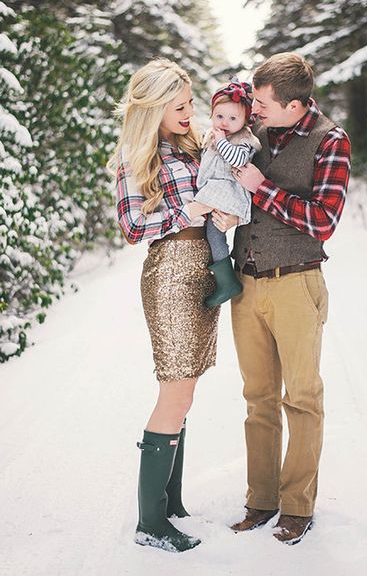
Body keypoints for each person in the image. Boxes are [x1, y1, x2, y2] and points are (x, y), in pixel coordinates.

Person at [229, 52, 351, 545]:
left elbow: (323, 220)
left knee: (301, 398)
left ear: (296, 106)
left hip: (298, 283)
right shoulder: (250, 136)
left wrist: (262, 189)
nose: (253, 109)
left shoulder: (331, 140)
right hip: (247, 282)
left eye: (262, 103)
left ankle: (297, 505)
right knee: (257, 399)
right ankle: (260, 500)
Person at [108, 57, 228, 553]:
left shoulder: (194, 145)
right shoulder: (134, 160)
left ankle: (170, 502)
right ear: (153, 108)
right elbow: (133, 229)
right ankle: (150, 522)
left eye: (191, 102)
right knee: (174, 392)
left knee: (189, 389)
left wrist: (220, 208)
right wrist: (187, 212)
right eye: (178, 106)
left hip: (205, 266)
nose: (189, 111)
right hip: (171, 275)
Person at [194, 79, 261, 307]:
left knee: (214, 234)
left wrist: (222, 141)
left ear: (245, 121)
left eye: (233, 118)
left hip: (228, 193)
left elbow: (238, 159)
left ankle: (226, 282)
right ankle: (220, 276)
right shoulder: (210, 136)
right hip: (215, 192)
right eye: (219, 116)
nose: (225, 123)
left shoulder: (243, 139)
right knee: (211, 232)